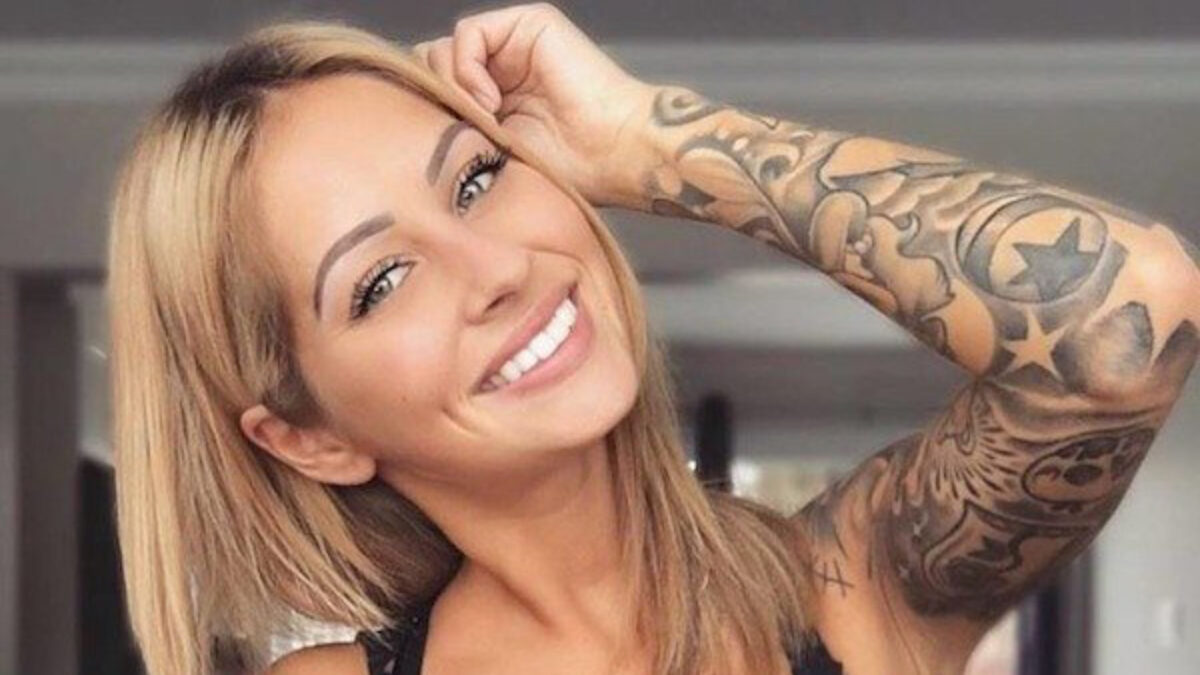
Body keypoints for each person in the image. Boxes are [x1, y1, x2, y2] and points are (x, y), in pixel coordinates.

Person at [105, 3, 1199, 674]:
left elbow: (1128, 314)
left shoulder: (853, 591)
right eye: (382, 281)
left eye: (477, 179)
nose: (497, 267)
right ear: (310, 438)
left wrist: (645, 142)